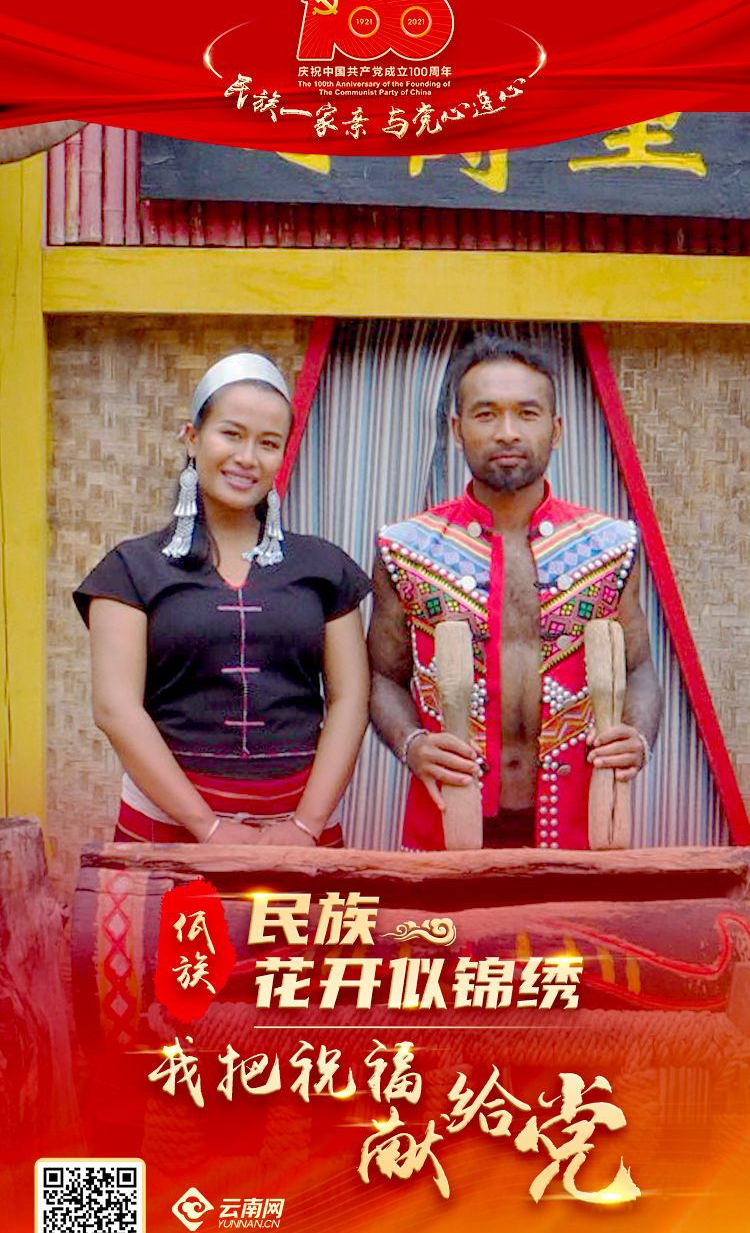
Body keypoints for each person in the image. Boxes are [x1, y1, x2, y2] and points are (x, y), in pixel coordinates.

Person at [368, 334, 662, 850]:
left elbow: (638, 670)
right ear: (457, 430)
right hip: (446, 827)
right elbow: (383, 679)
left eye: (527, 413)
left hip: (582, 832)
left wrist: (635, 739)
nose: (507, 432)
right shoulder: (406, 549)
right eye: (486, 414)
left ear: (555, 429)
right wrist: (412, 745)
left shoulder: (610, 547)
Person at [74, 350, 370, 847]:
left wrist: (306, 826)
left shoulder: (325, 567)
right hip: (165, 832)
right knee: (175, 908)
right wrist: (206, 827)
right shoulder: (129, 570)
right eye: (231, 434)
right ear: (192, 437)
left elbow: (350, 698)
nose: (247, 458)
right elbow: (115, 708)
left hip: (298, 839)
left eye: (268, 443)